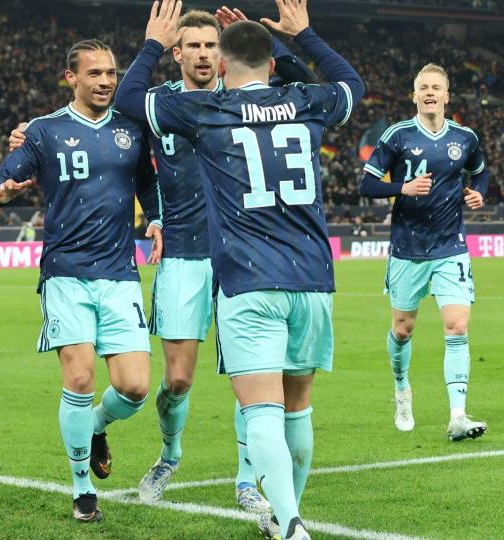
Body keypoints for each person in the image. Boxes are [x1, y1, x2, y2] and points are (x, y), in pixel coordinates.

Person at [5, 7, 314, 513]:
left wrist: (271, 42)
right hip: (184, 255)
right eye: (192, 46)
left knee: (253, 375)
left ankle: (246, 482)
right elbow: (93, 128)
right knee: (175, 381)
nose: (203, 54)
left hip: (245, 256)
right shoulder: (151, 105)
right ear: (177, 53)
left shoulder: (247, 100)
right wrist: (27, 139)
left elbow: (303, 87)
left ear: (223, 53)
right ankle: (166, 452)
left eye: (212, 46)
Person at [114, 0, 363, 537]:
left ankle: (286, 519)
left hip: (247, 276)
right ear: (271, 63)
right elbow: (349, 84)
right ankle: (280, 510)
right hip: (311, 275)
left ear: (222, 65)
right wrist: (303, 36)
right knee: (293, 408)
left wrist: (150, 43)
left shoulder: (207, 110)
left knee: (264, 408)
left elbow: (129, 97)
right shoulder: (303, 102)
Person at [0, 38, 163, 523]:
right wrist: (3, 191)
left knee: (134, 388)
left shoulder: (131, 129)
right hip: (66, 273)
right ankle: (83, 490)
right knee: (80, 378)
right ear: (72, 78)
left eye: (111, 73)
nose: (106, 81)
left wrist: (157, 219)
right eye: (95, 74)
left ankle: (97, 427)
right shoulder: (43, 131)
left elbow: (148, 185)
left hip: (120, 274)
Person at [358, 63, 490, 441]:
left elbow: (480, 171)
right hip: (408, 250)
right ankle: (401, 388)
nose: (430, 92)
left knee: (457, 325)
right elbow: (366, 185)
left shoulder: (465, 138)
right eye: (423, 87)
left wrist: (479, 191)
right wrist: (402, 188)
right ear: (414, 95)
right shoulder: (397, 136)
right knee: (403, 330)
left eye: (436, 87)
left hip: (451, 247)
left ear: (447, 95)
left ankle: (458, 415)